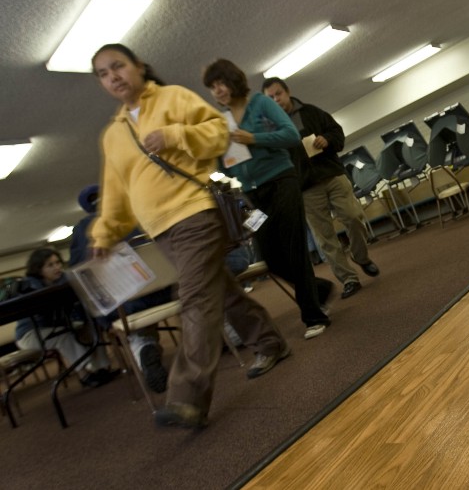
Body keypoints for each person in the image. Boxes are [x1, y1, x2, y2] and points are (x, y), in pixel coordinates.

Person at [90, 44, 290, 429]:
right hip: (161, 230)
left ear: (139, 67)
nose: (112, 76)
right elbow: (116, 191)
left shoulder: (172, 98)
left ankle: (187, 397)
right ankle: (271, 343)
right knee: (221, 291)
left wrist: (176, 135)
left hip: (195, 212)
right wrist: (105, 233)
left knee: (195, 298)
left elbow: (219, 134)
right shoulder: (112, 136)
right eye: (103, 73)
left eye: (118, 66)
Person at [202, 59, 333, 340]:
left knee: (295, 248)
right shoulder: (221, 121)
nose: (217, 91)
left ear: (233, 81)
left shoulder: (261, 103)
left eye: (220, 84)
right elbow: (229, 165)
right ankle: (318, 289)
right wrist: (216, 159)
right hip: (253, 192)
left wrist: (253, 138)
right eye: (212, 88)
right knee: (270, 258)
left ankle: (313, 315)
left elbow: (289, 135)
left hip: (281, 180)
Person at [262, 77, 379, 299]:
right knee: (324, 237)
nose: (276, 100)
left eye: (278, 94)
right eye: (270, 98)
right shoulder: (271, 130)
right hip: (305, 189)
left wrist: (327, 139)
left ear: (287, 92)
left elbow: (337, 133)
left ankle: (361, 257)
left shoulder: (311, 112)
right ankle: (349, 279)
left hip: (331, 174)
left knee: (354, 217)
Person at [69, 184, 170, 393]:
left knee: (127, 317)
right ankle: (227, 335)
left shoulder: (81, 231)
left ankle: (142, 346)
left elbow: (79, 273)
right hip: (162, 292)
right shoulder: (133, 214)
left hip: (121, 305)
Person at [15, 248, 119, 388]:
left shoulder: (63, 279)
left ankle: (102, 368)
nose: (57, 267)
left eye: (58, 263)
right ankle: (84, 375)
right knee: (63, 336)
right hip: (29, 334)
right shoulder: (30, 286)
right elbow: (43, 315)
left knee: (91, 326)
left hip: (58, 326)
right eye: (50, 265)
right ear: (38, 269)